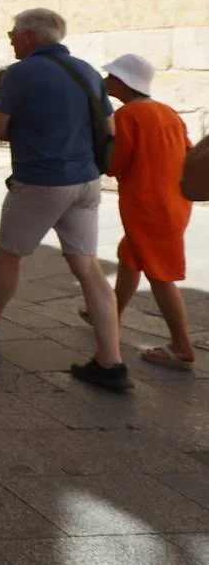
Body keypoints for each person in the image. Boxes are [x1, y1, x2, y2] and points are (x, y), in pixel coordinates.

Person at [0, 8, 129, 392]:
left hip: (41, 180)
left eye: (13, 32)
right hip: (86, 182)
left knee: (8, 256)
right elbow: (110, 128)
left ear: (30, 35)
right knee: (88, 267)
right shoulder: (87, 72)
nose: (10, 38)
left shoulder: (21, 72)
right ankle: (111, 362)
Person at [76, 54, 194, 369]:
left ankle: (182, 346)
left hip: (148, 206)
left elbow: (114, 166)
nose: (104, 81)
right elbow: (189, 151)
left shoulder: (128, 116)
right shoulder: (167, 112)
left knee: (160, 275)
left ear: (122, 83)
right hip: (174, 203)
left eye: (110, 77)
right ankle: (108, 313)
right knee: (129, 255)